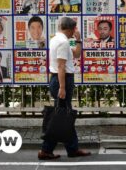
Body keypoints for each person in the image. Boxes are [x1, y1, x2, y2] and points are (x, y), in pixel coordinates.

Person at [38, 17, 90, 160]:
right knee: (61, 116)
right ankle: (47, 150)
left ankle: (71, 149)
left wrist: (78, 40)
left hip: (61, 79)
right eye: (75, 29)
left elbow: (76, 54)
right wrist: (62, 87)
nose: (76, 31)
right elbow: (61, 66)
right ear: (70, 29)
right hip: (62, 80)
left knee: (63, 115)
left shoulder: (58, 39)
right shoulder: (62, 42)